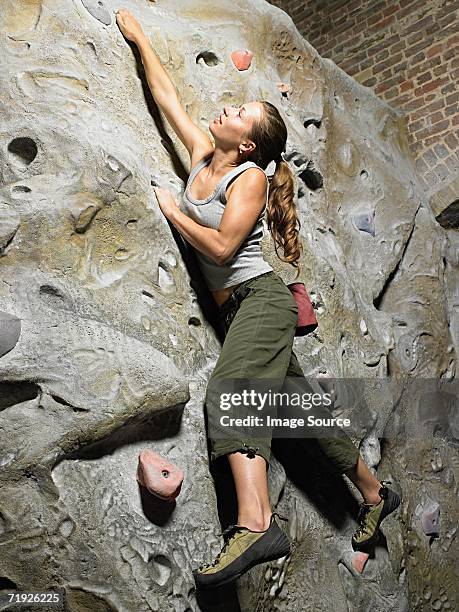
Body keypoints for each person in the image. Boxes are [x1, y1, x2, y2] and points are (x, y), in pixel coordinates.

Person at [115, 8, 401, 590]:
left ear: (247, 143)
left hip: (261, 301)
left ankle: (256, 522)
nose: (226, 109)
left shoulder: (248, 179)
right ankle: (376, 493)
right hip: (243, 310)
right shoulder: (201, 153)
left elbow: (221, 248)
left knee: (231, 393)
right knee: (303, 414)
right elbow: (166, 96)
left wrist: (173, 211)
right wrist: (140, 38)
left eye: (241, 112)